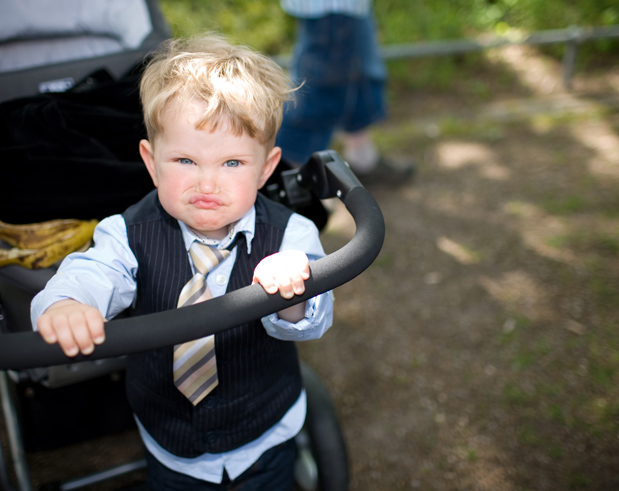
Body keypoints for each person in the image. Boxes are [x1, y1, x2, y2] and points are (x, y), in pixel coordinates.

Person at [30, 35, 334, 490]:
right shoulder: (126, 232)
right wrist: (68, 302)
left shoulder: (291, 236)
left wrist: (292, 290)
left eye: (232, 162)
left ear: (266, 169)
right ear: (152, 163)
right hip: (170, 446)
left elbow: (311, 321)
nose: (207, 182)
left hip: (265, 435)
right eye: (186, 160)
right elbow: (95, 271)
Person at [276, 0, 415, 184]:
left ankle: (363, 160)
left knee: (359, 75)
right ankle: (285, 177)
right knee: (316, 93)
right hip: (331, 8)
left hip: (347, 7)